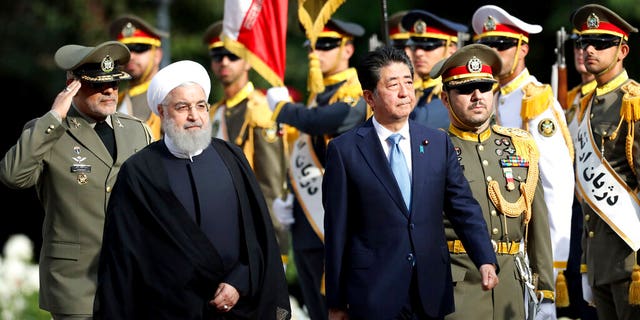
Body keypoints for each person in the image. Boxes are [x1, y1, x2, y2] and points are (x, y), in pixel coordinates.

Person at [93, 60, 291, 319]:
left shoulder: (231, 157)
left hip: (237, 306)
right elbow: (123, 259)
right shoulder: (139, 172)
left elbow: (257, 237)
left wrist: (239, 282)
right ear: (162, 113)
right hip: (168, 310)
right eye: (182, 107)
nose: (194, 116)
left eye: (201, 106)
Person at [322, 45, 499, 320]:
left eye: (408, 82)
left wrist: (485, 258)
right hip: (373, 293)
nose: (405, 92)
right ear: (370, 97)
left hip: (430, 288)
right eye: (393, 85)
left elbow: (462, 206)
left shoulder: (437, 142)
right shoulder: (344, 151)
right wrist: (335, 300)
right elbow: (337, 229)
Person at [0, 41, 153, 319]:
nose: (109, 90)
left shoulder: (137, 131)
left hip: (131, 279)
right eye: (97, 84)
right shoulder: (48, 131)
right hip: (76, 285)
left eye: (115, 83)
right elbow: (13, 175)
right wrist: (55, 116)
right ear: (73, 85)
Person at [432, 43, 555, 319]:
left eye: (484, 87)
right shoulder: (433, 150)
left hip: (513, 286)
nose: (477, 96)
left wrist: (545, 291)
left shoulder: (519, 145)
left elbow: (538, 225)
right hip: (458, 288)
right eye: (465, 89)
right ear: (445, 98)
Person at [472, 5, 575, 309]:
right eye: (486, 46)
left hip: (531, 254)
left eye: (501, 46)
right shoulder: (486, 97)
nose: (493, 53)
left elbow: (555, 188)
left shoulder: (536, 102)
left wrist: (551, 267)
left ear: (523, 49)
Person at [266, 18, 368, 320]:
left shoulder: (356, 89)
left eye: (325, 45)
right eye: (311, 46)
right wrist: (290, 195)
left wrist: (284, 109)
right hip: (307, 220)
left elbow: (328, 121)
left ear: (348, 48)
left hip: (341, 221)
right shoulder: (317, 94)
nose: (315, 53)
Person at [570, 4, 640, 320]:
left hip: (630, 259)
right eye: (584, 42)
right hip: (599, 261)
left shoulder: (633, 103)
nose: (589, 50)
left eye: (601, 43)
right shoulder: (585, 106)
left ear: (622, 50)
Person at [203, 20, 290, 269]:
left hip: (252, 232)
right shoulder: (213, 112)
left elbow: (271, 184)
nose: (225, 62)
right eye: (218, 55)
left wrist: (276, 247)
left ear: (249, 60)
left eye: (233, 55)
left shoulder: (261, 110)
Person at [557, 29, 599, 320]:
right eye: (579, 44)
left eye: (592, 44)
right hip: (568, 209)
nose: (583, 51)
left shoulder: (617, 99)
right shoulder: (565, 100)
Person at [400, 9, 468, 130]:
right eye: (415, 46)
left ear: (451, 49)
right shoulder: (416, 92)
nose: (419, 53)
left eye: (429, 47)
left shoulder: (457, 92)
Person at [109, 13, 168, 140]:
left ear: (157, 55)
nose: (131, 56)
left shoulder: (168, 98)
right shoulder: (114, 100)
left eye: (139, 48)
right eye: (125, 51)